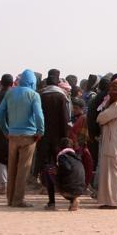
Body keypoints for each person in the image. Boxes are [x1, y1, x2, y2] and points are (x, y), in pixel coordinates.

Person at [0, 69, 45, 207]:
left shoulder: (10, 93)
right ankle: (18, 200)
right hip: (29, 136)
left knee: (12, 167)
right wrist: (40, 131)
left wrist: (5, 130)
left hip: (12, 135)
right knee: (23, 168)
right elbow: (39, 116)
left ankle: (10, 199)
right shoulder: (34, 95)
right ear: (32, 82)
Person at [38, 70, 70, 210]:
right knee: (62, 166)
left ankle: (51, 201)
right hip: (58, 139)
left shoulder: (40, 96)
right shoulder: (61, 97)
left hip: (44, 137)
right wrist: (65, 138)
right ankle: (69, 197)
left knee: (48, 167)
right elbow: (65, 119)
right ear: (58, 83)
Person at [96, 78, 117, 209]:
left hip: (112, 144)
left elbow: (100, 118)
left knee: (112, 174)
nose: (111, 92)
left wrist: (104, 107)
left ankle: (112, 202)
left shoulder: (116, 106)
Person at [55, 137, 85, 211]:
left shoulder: (62, 156)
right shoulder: (77, 157)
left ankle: (51, 203)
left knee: (49, 174)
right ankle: (74, 200)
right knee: (70, 178)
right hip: (80, 189)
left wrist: (57, 172)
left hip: (68, 190)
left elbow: (66, 168)